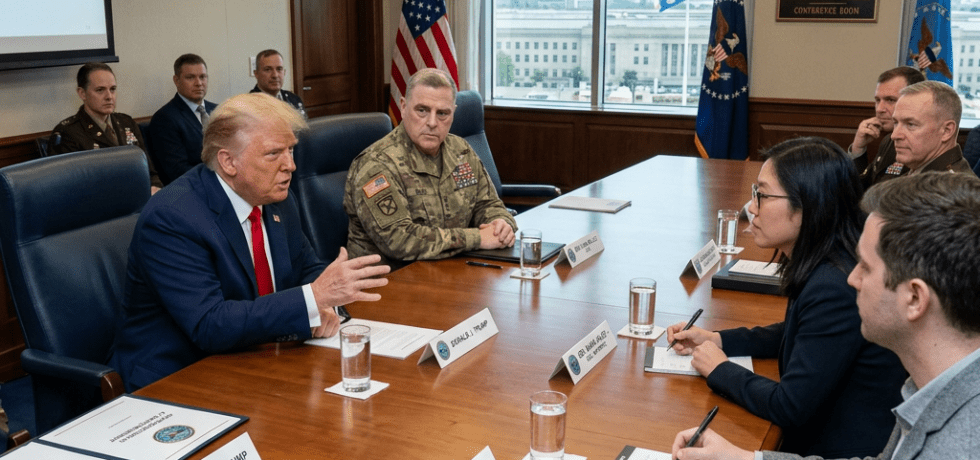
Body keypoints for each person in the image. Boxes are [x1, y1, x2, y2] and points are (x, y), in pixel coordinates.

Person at [671, 172, 980, 460]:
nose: (851, 279)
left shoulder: (958, 446)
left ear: (914, 299)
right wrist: (744, 458)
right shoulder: (939, 385)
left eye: (866, 267)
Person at [110, 93, 391, 391]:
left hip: (256, 359)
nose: (290, 166)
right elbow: (210, 324)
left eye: (291, 150)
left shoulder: (276, 197)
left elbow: (306, 268)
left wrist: (325, 309)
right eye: (273, 154)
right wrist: (312, 298)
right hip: (179, 376)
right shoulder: (172, 217)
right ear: (228, 162)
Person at [666, 137, 906, 458]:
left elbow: (790, 406)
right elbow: (798, 329)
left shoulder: (836, 282)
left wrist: (720, 369)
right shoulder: (828, 257)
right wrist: (719, 339)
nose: (751, 208)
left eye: (762, 196)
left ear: (808, 204)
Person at [343, 68, 517, 270]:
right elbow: (400, 240)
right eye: (422, 110)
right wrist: (477, 238)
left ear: (453, 113)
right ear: (403, 107)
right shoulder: (376, 165)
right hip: (386, 284)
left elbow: (487, 204)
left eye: (442, 113)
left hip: (448, 272)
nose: (432, 123)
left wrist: (500, 224)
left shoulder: (460, 150)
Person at [48, 62, 163, 193]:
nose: (109, 96)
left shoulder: (126, 122)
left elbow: (149, 171)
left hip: (139, 199)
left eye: (112, 89)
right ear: (82, 93)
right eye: (100, 90)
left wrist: (156, 188)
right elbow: (71, 189)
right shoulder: (67, 133)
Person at [848, 66, 924, 188]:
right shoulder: (888, 140)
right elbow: (862, 187)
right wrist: (858, 148)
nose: (879, 109)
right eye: (877, 100)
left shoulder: (922, 142)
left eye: (890, 100)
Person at [147, 53, 218, 184]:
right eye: (190, 77)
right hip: (196, 187)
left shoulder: (219, 110)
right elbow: (177, 171)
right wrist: (221, 177)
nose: (199, 83)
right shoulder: (164, 119)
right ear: (176, 80)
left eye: (202, 77)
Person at [887, 80, 970, 176]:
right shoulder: (919, 174)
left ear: (947, 131)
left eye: (911, 125)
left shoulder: (952, 187)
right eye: (896, 123)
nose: (894, 135)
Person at [249, 49, 306, 116]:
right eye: (268, 69)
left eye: (279, 69)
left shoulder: (294, 99)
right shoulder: (248, 106)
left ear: (284, 72)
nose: (275, 75)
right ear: (256, 74)